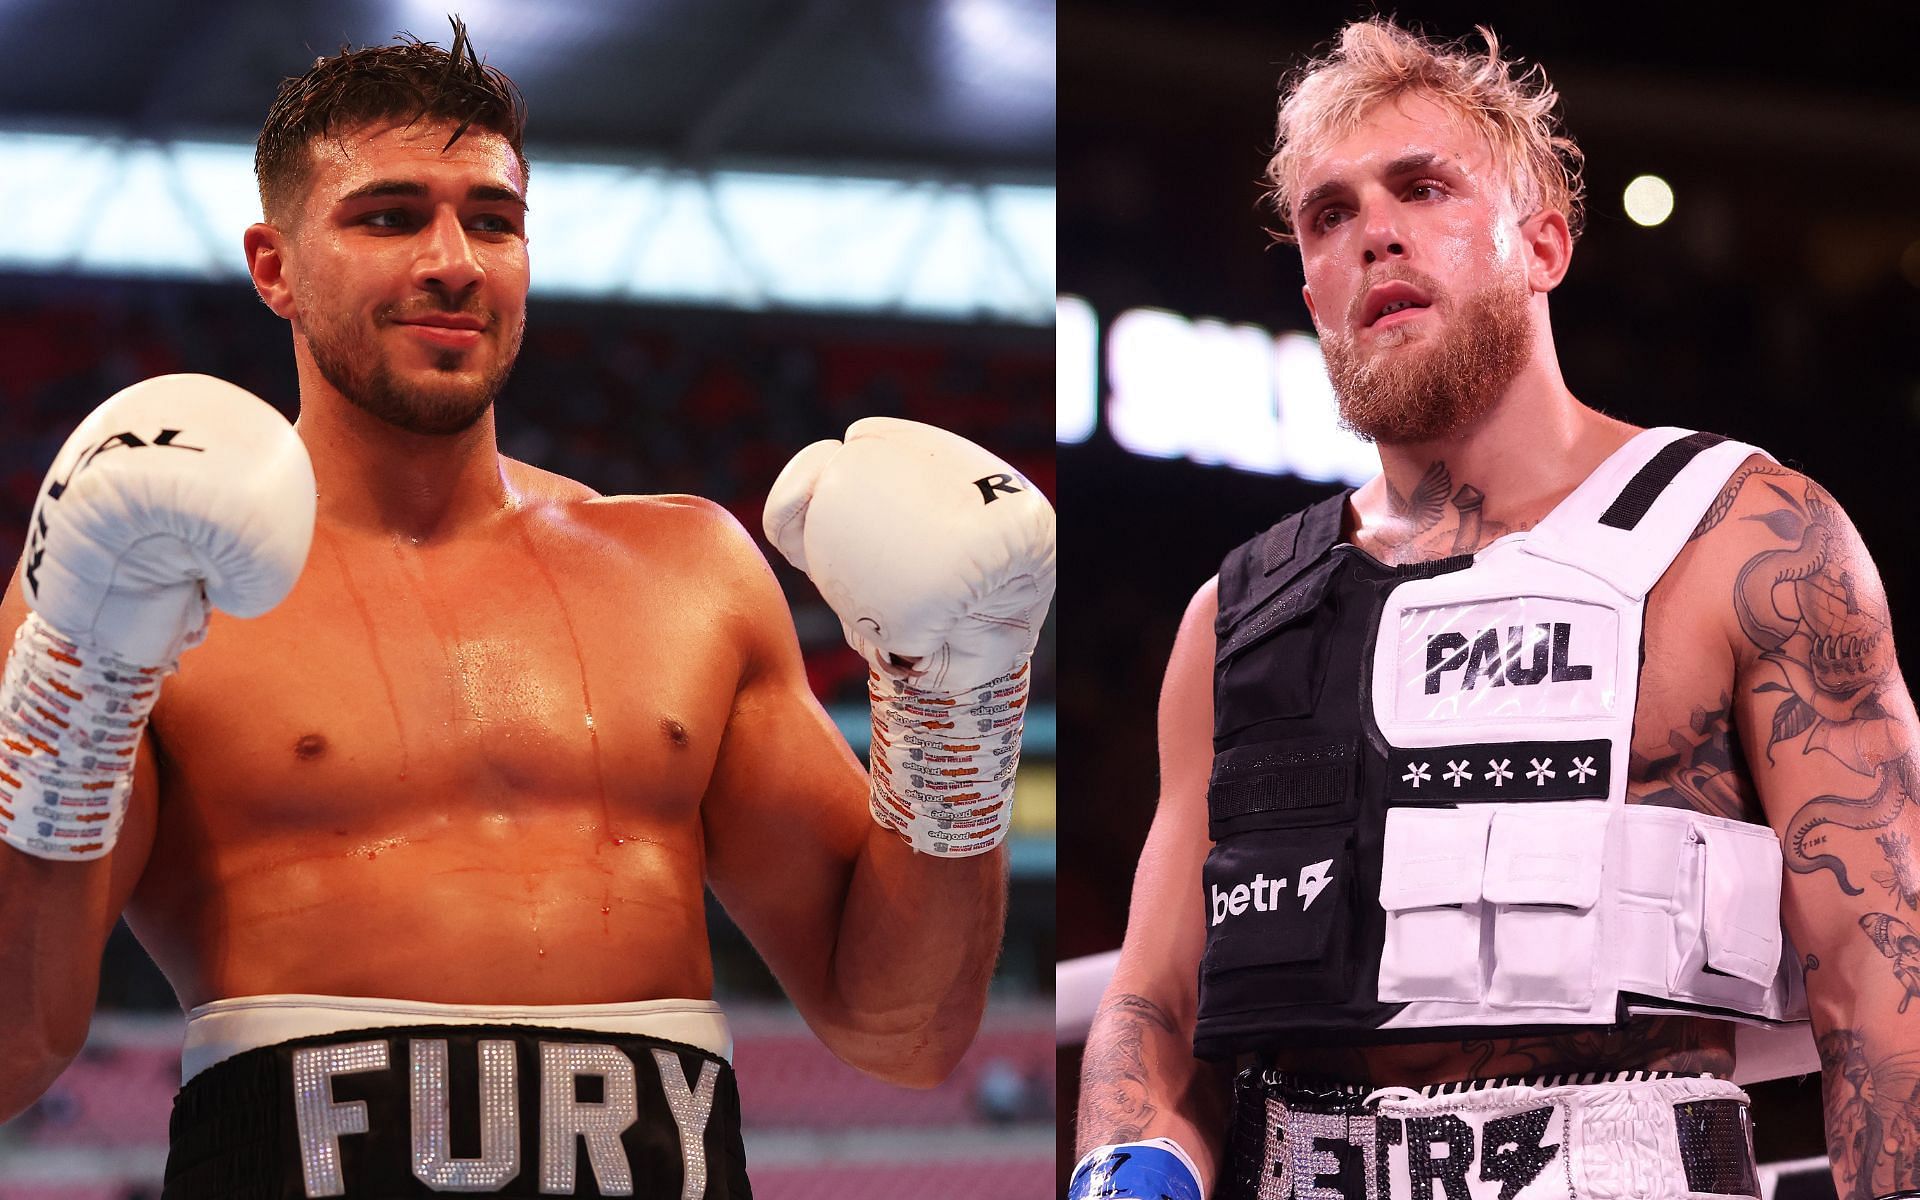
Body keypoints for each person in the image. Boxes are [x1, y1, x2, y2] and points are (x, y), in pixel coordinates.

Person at [0, 21, 1053, 1199]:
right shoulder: (148, 586)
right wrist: (66, 700)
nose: (455, 261)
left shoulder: (687, 570)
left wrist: (960, 704)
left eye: (492, 221)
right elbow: (13, 1049)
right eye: (390, 215)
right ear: (275, 264)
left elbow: (903, 1028)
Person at [1072, 18, 1917, 1200]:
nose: (1376, 232)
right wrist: (1131, 1158)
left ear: (1545, 242)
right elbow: (1154, 1003)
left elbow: (1883, 991)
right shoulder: (1234, 617)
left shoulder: (1747, 544)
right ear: (1311, 285)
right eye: (1330, 214)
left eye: (1422, 187)